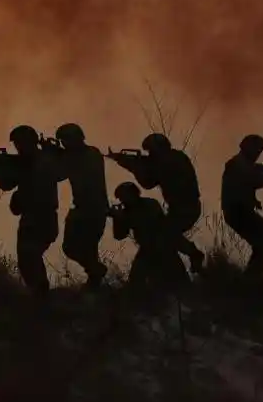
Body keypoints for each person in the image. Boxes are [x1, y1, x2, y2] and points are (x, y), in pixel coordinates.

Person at [111, 133, 207, 274]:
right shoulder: (176, 157)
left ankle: (193, 255)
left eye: (151, 151)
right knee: (164, 236)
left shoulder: (166, 162)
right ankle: (190, 264)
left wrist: (132, 164)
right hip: (184, 206)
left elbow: (147, 182)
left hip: (185, 208)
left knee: (164, 234)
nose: (150, 155)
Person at [0, 125, 60, 295]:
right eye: (17, 144)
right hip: (37, 217)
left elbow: (7, 183)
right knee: (29, 259)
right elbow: (8, 183)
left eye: (20, 143)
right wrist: (0, 165)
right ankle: (40, 294)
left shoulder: (39, 161)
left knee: (29, 258)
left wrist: (0, 166)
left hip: (40, 218)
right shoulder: (36, 160)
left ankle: (40, 296)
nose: (18, 147)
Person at [51, 123, 109, 290]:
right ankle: (95, 277)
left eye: (66, 140)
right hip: (83, 208)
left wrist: (54, 156)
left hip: (93, 209)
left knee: (80, 248)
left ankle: (95, 274)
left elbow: (59, 174)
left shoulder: (89, 154)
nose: (64, 144)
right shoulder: (78, 155)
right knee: (78, 248)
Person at [220, 134, 263, 276]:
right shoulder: (237, 164)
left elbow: (256, 170)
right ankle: (252, 275)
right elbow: (255, 180)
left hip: (240, 212)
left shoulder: (243, 163)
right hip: (237, 213)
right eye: (257, 151)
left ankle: (252, 275)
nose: (258, 155)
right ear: (249, 149)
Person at [110, 182, 190, 290]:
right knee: (136, 284)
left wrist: (123, 217)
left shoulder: (150, 204)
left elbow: (147, 223)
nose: (122, 200)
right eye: (121, 198)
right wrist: (117, 219)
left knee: (180, 282)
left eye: (124, 197)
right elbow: (119, 236)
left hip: (163, 247)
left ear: (133, 194)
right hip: (147, 249)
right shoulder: (127, 212)